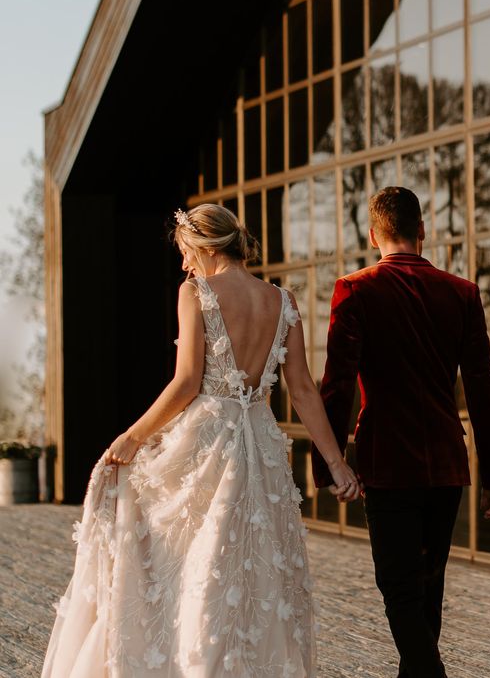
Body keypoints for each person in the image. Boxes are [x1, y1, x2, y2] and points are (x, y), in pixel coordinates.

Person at [42, 203, 359, 678]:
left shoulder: (196, 292)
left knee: (191, 564)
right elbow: (304, 391)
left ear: (208, 246)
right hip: (261, 445)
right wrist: (337, 463)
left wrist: (132, 437)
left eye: (188, 252)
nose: (185, 264)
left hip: (207, 445)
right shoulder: (283, 301)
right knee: (253, 569)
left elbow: (187, 382)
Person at [312, 186, 490, 678]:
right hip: (446, 463)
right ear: (423, 231)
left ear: (373, 235)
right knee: (426, 591)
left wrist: (327, 465)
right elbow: (483, 388)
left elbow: (337, 385)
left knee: (401, 592)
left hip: (388, 461)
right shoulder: (462, 293)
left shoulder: (355, 289)